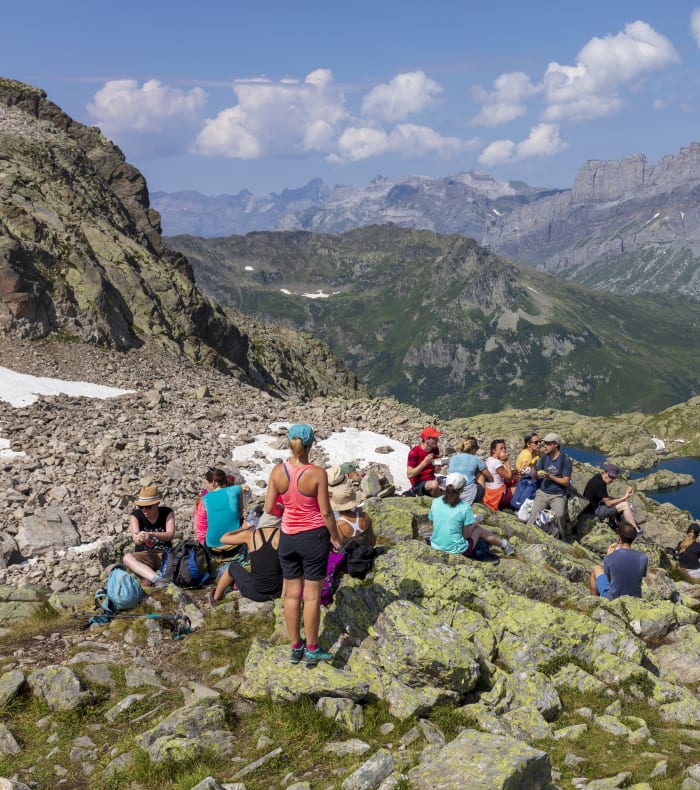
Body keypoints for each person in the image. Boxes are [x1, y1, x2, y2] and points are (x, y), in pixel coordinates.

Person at [265, 423, 342, 665]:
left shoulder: (277, 471)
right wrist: (335, 538)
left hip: (288, 538)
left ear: (290, 443)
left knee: (291, 594)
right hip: (313, 537)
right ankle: (312, 648)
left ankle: (295, 646)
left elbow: (269, 508)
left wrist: (287, 512)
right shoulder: (317, 473)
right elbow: (326, 513)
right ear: (310, 445)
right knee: (311, 596)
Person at [429, 473, 515, 557]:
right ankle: (504, 544)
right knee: (478, 530)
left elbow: (432, 522)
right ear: (462, 489)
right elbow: (466, 535)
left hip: (436, 545)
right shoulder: (465, 507)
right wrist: (475, 523)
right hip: (457, 549)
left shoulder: (436, 501)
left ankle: (504, 544)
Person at [209, 525, 283, 604]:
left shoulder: (250, 535)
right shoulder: (283, 535)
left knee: (232, 567)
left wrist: (242, 528)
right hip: (278, 592)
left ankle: (215, 598)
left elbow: (223, 539)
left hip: (255, 593)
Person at [123, 486, 175, 587]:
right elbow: (136, 539)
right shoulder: (135, 515)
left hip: (164, 553)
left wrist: (151, 534)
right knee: (127, 558)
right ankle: (157, 579)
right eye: (141, 507)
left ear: (157, 504)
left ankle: (151, 576)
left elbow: (170, 534)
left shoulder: (167, 512)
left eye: (149, 507)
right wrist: (140, 538)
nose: (145, 510)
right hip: (144, 554)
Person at [526, 433, 572, 539]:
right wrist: (532, 467)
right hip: (542, 493)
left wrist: (550, 476)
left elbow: (566, 482)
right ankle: (527, 535)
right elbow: (534, 477)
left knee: (560, 515)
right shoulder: (544, 458)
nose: (544, 446)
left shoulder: (565, 460)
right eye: (544, 443)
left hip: (558, 495)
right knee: (533, 515)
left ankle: (561, 538)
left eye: (547, 444)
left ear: (555, 444)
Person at [589, 522, 648, 599]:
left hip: (613, 598)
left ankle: (595, 601)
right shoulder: (643, 557)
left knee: (596, 568)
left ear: (619, 538)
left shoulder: (609, 558)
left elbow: (609, 580)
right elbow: (640, 575)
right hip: (635, 598)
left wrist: (609, 556)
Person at [582, 463, 639, 531]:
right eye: (610, 476)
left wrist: (619, 500)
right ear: (605, 472)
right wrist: (625, 497)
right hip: (593, 511)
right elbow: (608, 503)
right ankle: (635, 530)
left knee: (616, 501)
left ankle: (614, 524)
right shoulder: (600, 484)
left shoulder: (598, 477)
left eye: (613, 477)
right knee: (625, 505)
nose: (611, 479)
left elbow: (603, 496)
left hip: (590, 507)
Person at [194, 468, 243, 545]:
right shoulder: (237, 489)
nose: (205, 486)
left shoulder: (204, 499)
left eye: (206, 483)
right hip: (236, 541)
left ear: (213, 482)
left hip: (212, 544)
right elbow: (239, 515)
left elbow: (200, 527)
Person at [330, 482, 376, 548]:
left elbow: (339, 549)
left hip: (350, 554)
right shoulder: (365, 516)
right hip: (368, 551)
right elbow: (373, 541)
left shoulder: (337, 525)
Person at [448, 436, 492, 504]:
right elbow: (490, 478)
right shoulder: (476, 459)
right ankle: (480, 501)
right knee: (480, 473)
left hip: (451, 491)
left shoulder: (453, 458)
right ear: (473, 450)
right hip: (469, 495)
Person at [483, 439, 518, 511]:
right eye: (501, 448)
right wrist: (507, 461)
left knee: (516, 478)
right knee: (521, 484)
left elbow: (503, 473)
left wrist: (517, 471)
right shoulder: (496, 463)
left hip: (489, 494)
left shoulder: (489, 460)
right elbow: (509, 477)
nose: (504, 450)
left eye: (504, 448)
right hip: (498, 496)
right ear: (494, 450)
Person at [407, 427, 442, 497]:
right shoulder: (414, 452)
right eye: (434, 438)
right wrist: (424, 463)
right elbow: (409, 475)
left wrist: (438, 467)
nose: (437, 440)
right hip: (418, 483)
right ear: (426, 439)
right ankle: (441, 502)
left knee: (454, 481)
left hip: (432, 479)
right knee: (434, 484)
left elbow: (436, 471)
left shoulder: (435, 449)